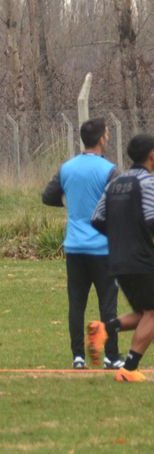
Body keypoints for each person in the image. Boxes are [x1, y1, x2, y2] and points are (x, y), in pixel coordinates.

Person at [42, 118, 123, 370]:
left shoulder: (67, 168)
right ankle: (111, 357)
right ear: (101, 139)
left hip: (75, 247)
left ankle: (78, 357)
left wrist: (71, 203)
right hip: (103, 248)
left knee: (76, 304)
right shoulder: (109, 170)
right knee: (108, 305)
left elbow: (48, 196)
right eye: (107, 134)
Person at [88, 134, 154, 382]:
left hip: (117, 257)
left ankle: (104, 329)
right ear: (152, 155)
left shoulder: (115, 183)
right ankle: (128, 369)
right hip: (141, 258)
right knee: (152, 313)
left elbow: (97, 218)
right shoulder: (148, 182)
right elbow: (152, 219)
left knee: (144, 312)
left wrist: (120, 237)